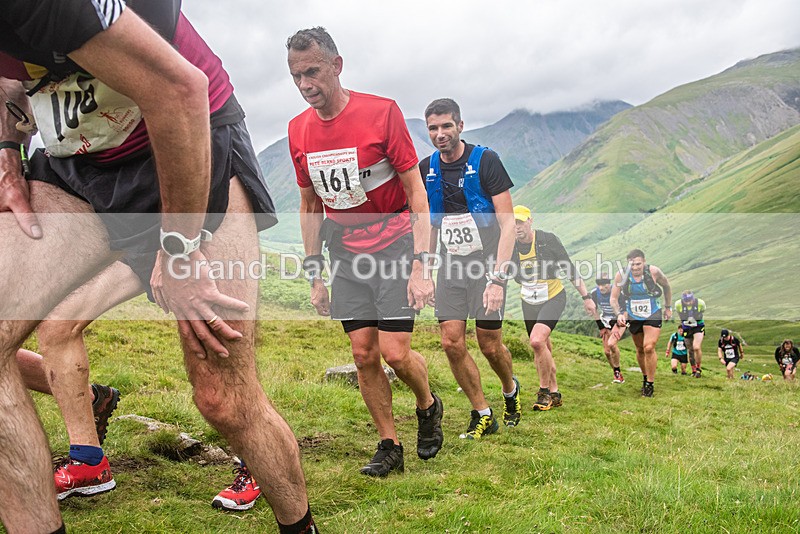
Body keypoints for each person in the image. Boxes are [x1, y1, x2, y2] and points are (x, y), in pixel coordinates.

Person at [0, 2, 316, 532]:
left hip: (189, 139)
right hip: (79, 161)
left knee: (224, 399)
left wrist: (180, 250)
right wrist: (8, 150)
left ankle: (300, 526)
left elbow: (180, 89)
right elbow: (10, 78)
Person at [287, 27, 443, 477]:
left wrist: (421, 267)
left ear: (337, 65)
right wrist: (315, 275)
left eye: (313, 71)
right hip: (345, 252)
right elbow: (310, 206)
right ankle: (389, 444)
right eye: (296, 76)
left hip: (395, 244)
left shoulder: (381, 113)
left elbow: (416, 193)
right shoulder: (298, 130)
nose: (305, 84)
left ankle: (428, 404)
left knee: (395, 352)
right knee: (362, 354)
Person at [418, 98, 520, 439]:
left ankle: (509, 390)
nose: (440, 133)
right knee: (451, 342)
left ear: (460, 126)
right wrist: (426, 273)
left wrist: (498, 279)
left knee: (490, 345)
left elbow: (507, 224)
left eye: (447, 125)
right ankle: (482, 413)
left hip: (488, 265)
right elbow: (430, 225)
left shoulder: (486, 161)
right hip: (451, 266)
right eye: (433, 128)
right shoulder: (426, 168)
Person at [513, 205, 597, 410]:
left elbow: (570, 269)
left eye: (520, 222)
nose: (517, 227)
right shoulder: (509, 246)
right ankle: (554, 392)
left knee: (536, 341)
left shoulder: (547, 240)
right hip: (529, 301)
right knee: (542, 347)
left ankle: (543, 393)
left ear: (530, 221)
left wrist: (586, 297)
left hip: (553, 297)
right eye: (513, 223)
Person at [610, 249, 672, 397]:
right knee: (640, 349)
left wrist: (668, 307)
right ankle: (645, 377)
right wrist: (619, 314)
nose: (635, 267)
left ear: (644, 262)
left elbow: (666, 286)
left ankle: (650, 384)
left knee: (649, 347)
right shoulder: (621, 275)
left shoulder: (653, 272)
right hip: (633, 314)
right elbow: (613, 298)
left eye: (638, 264)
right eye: (632, 265)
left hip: (652, 312)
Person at [590, 275, 627, 383]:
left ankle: (617, 374)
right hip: (606, 320)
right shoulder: (594, 293)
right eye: (599, 285)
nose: (601, 288)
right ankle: (616, 373)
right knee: (607, 352)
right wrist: (601, 326)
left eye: (604, 285)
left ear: (609, 284)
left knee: (611, 344)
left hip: (620, 319)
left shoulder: (618, 292)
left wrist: (619, 324)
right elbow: (594, 310)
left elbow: (625, 310)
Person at [675, 290, 706, 377]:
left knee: (696, 347)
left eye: (690, 300)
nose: (688, 303)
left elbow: (703, 310)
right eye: (686, 301)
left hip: (698, 326)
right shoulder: (678, 304)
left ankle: (698, 369)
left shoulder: (700, 303)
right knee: (690, 350)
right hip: (686, 328)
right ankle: (693, 370)